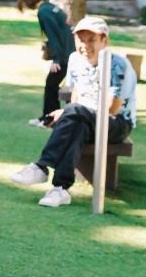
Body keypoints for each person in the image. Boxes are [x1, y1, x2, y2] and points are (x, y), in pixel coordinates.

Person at [10, 16, 137, 207]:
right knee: (77, 125)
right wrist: (71, 110)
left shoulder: (118, 65)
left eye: (92, 39)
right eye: (80, 39)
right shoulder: (75, 59)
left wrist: (67, 111)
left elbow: (112, 108)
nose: (85, 45)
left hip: (116, 123)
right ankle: (61, 189)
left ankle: (41, 166)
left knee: (75, 113)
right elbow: (76, 94)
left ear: (104, 41)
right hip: (84, 117)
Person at [16, 0, 75, 127]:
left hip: (65, 55)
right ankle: (47, 117)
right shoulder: (50, 7)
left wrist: (56, 59)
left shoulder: (43, 12)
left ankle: (50, 119)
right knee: (52, 85)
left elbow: (53, 36)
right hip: (69, 52)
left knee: (51, 85)